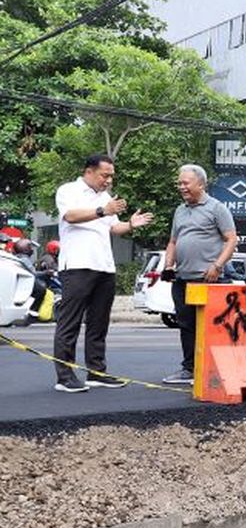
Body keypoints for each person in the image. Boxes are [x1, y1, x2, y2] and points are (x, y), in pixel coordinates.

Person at [52, 153, 153, 392]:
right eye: (104, 175)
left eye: (111, 176)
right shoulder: (69, 190)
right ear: (89, 171)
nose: (108, 180)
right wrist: (102, 210)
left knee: (99, 323)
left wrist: (130, 224)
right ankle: (65, 377)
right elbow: (70, 216)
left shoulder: (105, 198)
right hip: (77, 265)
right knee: (70, 323)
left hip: (104, 267)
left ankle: (96, 372)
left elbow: (114, 228)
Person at [161, 164, 237, 385]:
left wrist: (217, 266)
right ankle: (189, 369)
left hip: (208, 279)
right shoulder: (180, 210)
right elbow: (173, 241)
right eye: (180, 183)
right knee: (185, 324)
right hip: (183, 279)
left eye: (186, 183)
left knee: (212, 327)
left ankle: (214, 370)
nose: (181, 187)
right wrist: (168, 265)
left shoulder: (216, 208)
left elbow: (231, 239)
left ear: (201, 184)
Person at [11, 239, 48, 320]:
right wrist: (47, 273)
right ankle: (33, 312)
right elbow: (33, 273)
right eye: (30, 247)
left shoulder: (18, 257)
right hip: (25, 283)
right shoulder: (24, 259)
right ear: (25, 249)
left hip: (20, 283)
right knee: (41, 290)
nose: (32, 250)